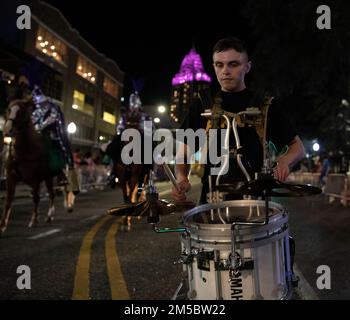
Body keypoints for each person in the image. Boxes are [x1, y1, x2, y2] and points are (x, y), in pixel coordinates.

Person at [172, 37, 305, 204]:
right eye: (219, 65)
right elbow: (184, 151)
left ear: (247, 67)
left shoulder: (265, 105)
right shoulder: (202, 105)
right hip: (212, 199)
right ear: (213, 67)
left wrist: (284, 161)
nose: (225, 71)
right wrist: (181, 177)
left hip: (256, 201)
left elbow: (298, 147)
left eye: (233, 64)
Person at [31, 85, 73, 185]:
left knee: (54, 149)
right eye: (37, 103)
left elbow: (52, 119)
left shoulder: (53, 108)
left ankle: (61, 174)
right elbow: (32, 120)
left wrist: (39, 127)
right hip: (37, 134)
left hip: (51, 134)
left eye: (40, 102)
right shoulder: (36, 111)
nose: (39, 105)